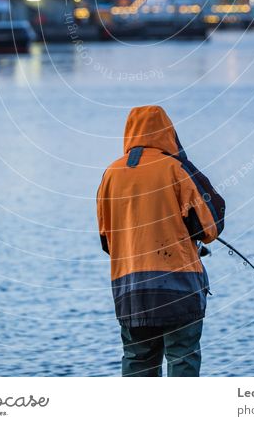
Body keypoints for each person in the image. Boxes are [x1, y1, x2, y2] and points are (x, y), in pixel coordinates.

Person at [96, 104, 225, 377]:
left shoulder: (110, 175)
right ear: (168, 132)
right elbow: (211, 225)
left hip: (130, 291)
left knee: (137, 361)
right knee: (182, 361)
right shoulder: (176, 169)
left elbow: (108, 241)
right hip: (178, 288)